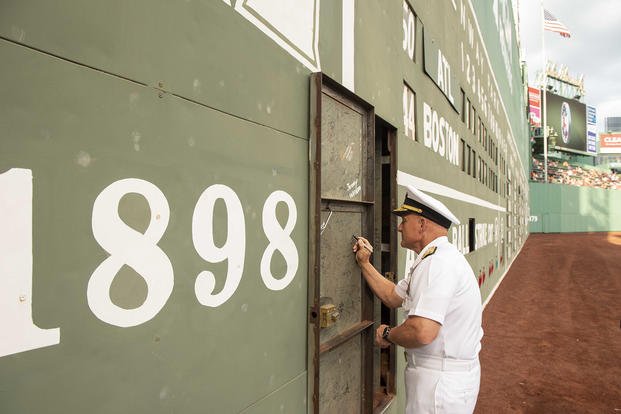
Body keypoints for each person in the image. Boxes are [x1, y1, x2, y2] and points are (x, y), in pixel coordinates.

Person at [352, 185, 483, 413]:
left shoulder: (437, 264)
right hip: (441, 378)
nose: (400, 227)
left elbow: (422, 331)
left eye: (405, 220)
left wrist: (387, 334)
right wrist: (365, 263)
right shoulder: (434, 259)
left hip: (439, 385)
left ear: (422, 225)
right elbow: (393, 296)